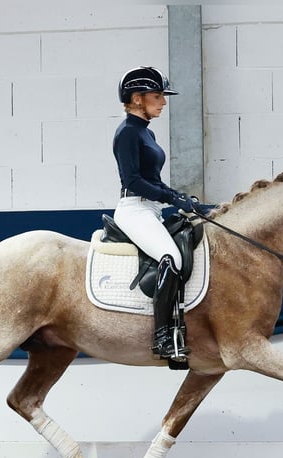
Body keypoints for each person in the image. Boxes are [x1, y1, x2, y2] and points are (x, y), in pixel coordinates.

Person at [112, 66, 195, 362]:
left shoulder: (145, 132)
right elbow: (133, 180)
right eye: (157, 96)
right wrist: (170, 197)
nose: (163, 102)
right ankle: (161, 337)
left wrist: (178, 197)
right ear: (137, 98)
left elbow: (154, 180)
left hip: (151, 207)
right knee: (170, 259)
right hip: (134, 209)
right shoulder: (126, 134)